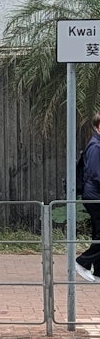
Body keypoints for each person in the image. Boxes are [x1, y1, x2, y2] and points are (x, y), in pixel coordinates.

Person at [76, 113, 100, 282]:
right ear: (98, 126)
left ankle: (98, 272)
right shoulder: (96, 147)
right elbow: (96, 173)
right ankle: (82, 262)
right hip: (95, 196)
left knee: (99, 233)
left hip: (95, 194)